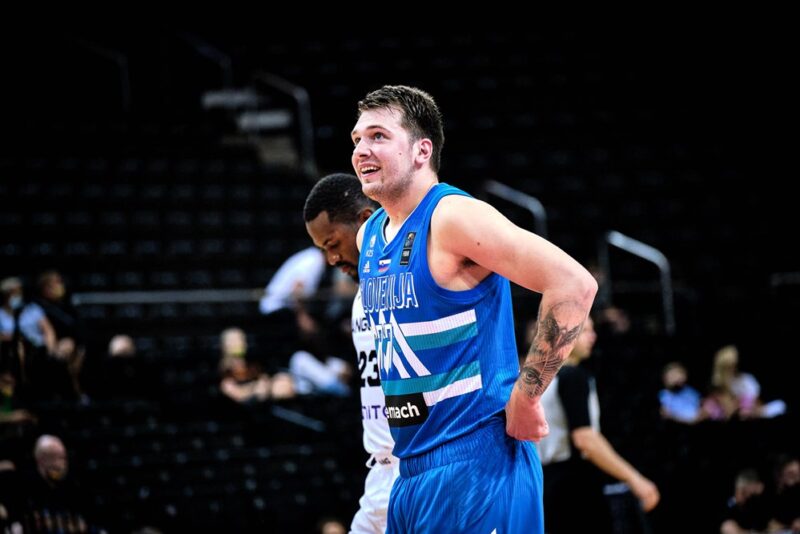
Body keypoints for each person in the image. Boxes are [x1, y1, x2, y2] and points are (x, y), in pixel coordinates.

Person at [351, 85, 597, 533]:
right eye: (357, 139)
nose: (361, 150)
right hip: (409, 473)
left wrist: (527, 395)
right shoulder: (368, 235)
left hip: (477, 463)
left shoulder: (453, 216)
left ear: (422, 150)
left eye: (378, 136)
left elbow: (573, 284)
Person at [304, 173, 398, 533]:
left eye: (332, 244)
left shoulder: (411, 281)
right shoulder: (360, 298)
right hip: (381, 471)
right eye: (322, 250)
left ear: (365, 220)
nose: (330, 259)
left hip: (423, 468)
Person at [538, 317, 660, 533]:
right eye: (585, 331)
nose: (593, 337)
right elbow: (585, 439)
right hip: (573, 486)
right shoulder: (574, 377)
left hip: (546, 483)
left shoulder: (540, 380)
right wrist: (634, 478)